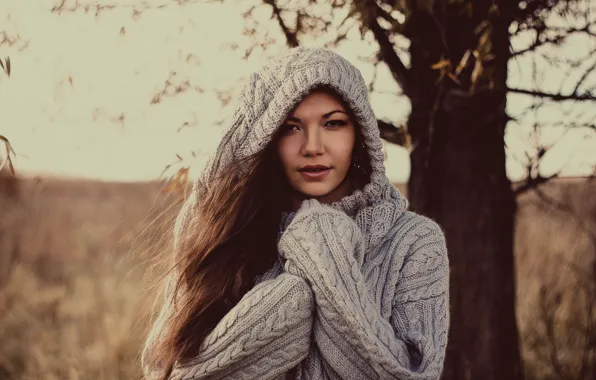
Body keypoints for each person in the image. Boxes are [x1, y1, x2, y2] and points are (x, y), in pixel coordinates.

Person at [141, 47, 450, 380]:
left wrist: (324, 251)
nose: (313, 146)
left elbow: (413, 375)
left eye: (333, 124)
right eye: (291, 128)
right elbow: (166, 369)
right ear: (268, 138)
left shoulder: (414, 241)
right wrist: (284, 311)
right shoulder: (223, 231)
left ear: (359, 133)